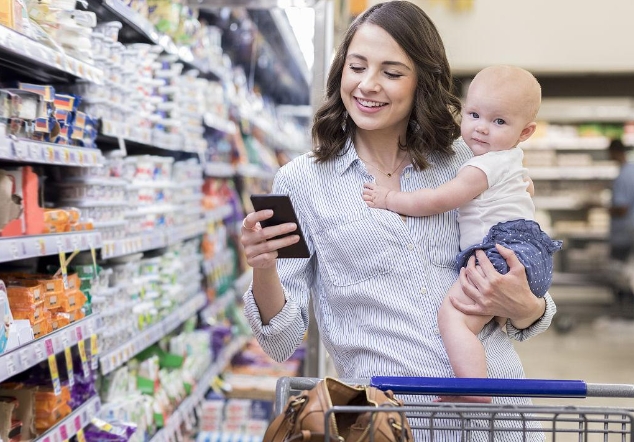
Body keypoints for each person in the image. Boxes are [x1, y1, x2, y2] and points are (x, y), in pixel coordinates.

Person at [240, 1, 555, 437]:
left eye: (391, 72)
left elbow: (532, 304)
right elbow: (280, 340)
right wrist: (263, 268)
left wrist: (527, 306)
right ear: (340, 73)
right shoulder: (301, 181)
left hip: (499, 422)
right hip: (389, 426)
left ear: (421, 81)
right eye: (357, 66)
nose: (368, 85)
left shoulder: (467, 164)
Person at [362, 65, 562, 400]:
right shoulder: (512, 160)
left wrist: (390, 198)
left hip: (500, 254)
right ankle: (476, 378)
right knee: (474, 323)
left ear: (525, 132)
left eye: (499, 122)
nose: (482, 128)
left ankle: (473, 390)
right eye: (473, 114)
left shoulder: (479, 165)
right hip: (529, 256)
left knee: (452, 318)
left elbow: (440, 199)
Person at [608, 138, 634, 315]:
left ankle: (624, 309)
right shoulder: (632, 171)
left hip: (624, 233)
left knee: (620, 272)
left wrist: (605, 208)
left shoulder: (622, 176)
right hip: (630, 230)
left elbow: (622, 208)